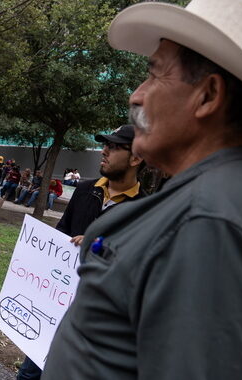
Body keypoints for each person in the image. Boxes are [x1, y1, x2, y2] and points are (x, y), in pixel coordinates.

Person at [43, 0, 242, 378]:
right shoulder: (221, 197)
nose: (136, 95)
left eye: (155, 75)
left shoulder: (211, 218)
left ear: (209, 96)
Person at [18, 125, 146, 379]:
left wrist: (96, 245)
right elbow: (63, 230)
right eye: (104, 145)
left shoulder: (144, 208)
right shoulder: (86, 189)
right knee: (29, 374)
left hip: (96, 318)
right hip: (55, 302)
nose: (104, 151)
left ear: (136, 157)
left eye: (114, 147)